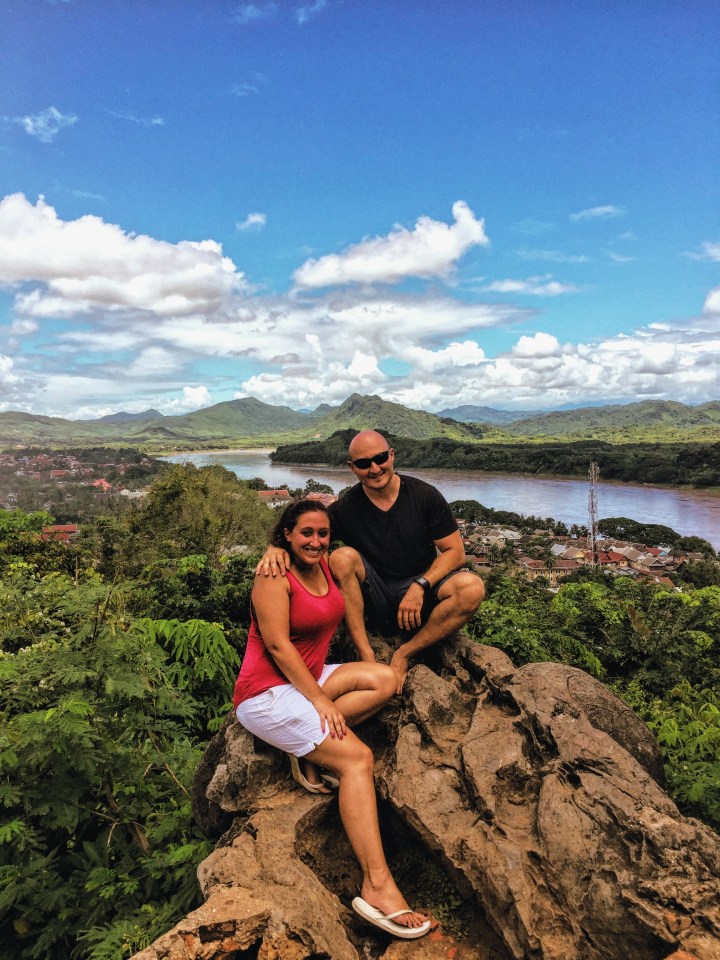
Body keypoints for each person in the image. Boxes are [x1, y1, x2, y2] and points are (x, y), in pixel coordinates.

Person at [234, 499, 431, 940]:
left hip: (308, 679)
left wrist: (330, 687)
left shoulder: (324, 565)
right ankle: (377, 886)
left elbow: (367, 556)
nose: (316, 541)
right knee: (357, 760)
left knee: (385, 679)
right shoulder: (273, 574)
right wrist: (320, 702)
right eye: (305, 533)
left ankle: (308, 749)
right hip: (267, 694)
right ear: (287, 533)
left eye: (322, 533)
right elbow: (279, 646)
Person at [258, 430, 485, 692]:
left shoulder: (424, 496)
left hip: (422, 593)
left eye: (380, 459)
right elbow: (308, 532)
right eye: (364, 463)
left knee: (472, 588)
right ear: (352, 468)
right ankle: (366, 655)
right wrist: (276, 547)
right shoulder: (347, 507)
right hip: (376, 596)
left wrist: (421, 585)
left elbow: (455, 552)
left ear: (392, 455)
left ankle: (406, 652)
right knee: (342, 558)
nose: (374, 469)